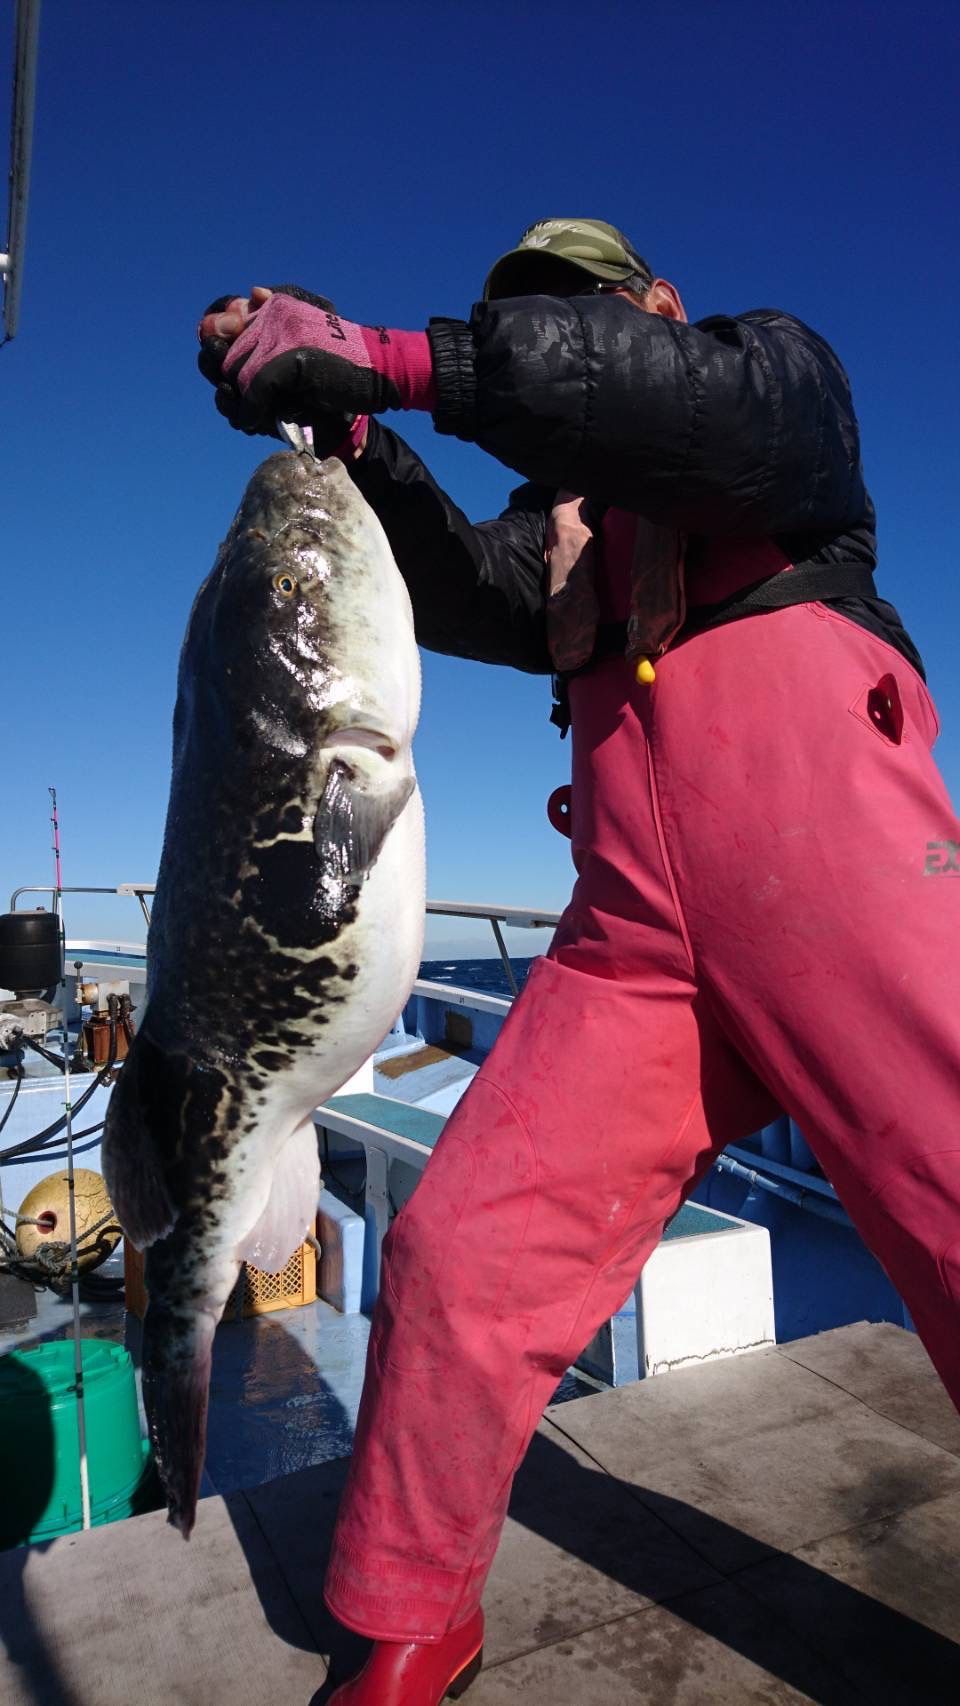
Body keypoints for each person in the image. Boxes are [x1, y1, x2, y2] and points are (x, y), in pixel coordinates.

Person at [198, 218, 960, 1706]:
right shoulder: (565, 545)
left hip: (854, 891)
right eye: (515, 318)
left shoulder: (774, 388)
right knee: (460, 1251)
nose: (545, 340)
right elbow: (439, 574)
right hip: (631, 946)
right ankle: (409, 1612)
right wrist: (350, 421)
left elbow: (650, 391)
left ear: (652, 309)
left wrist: (410, 360)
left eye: (572, 312)